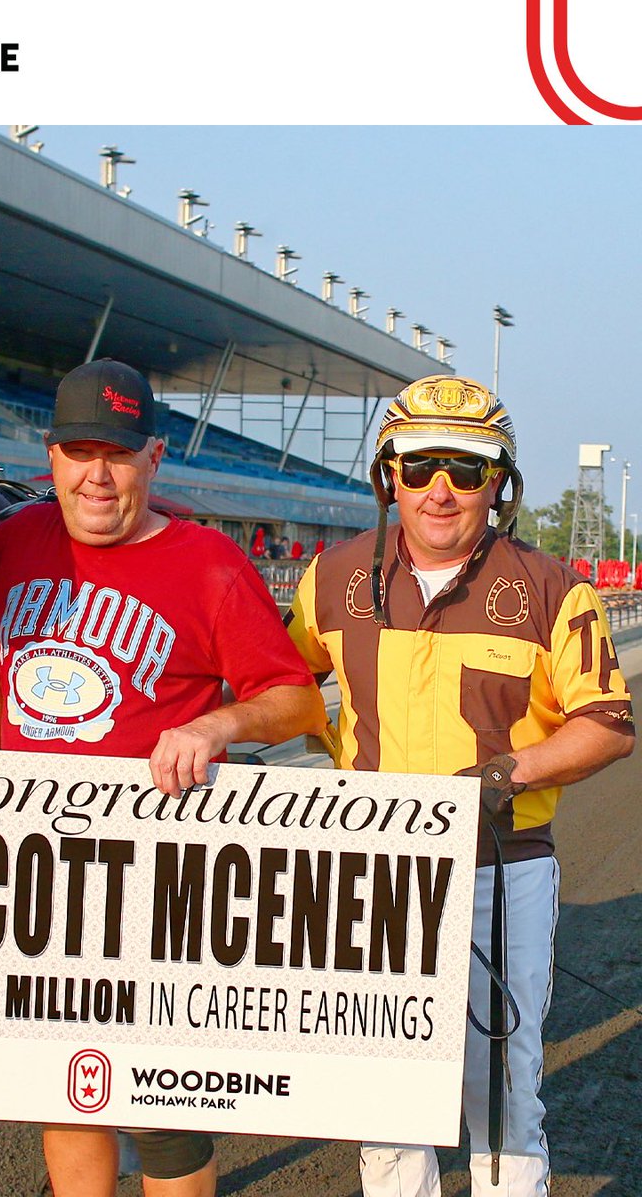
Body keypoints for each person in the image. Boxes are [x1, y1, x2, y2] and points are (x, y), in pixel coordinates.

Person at [0, 357, 326, 1197]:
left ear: (153, 459)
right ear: (50, 459)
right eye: (80, 451)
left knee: (162, 1113)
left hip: (158, 882)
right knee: (68, 1095)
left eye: (119, 454)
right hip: (40, 880)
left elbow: (297, 703)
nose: (98, 475)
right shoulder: (16, 542)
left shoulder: (209, 564)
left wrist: (215, 724)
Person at [286, 374, 635, 1197]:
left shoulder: (554, 588)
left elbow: (607, 726)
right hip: (368, 872)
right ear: (388, 478)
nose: (440, 490)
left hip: (498, 866)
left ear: (499, 486)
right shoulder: (330, 579)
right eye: (420, 467)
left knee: (499, 1087)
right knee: (385, 1082)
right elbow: (279, 692)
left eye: (466, 470)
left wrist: (504, 775)